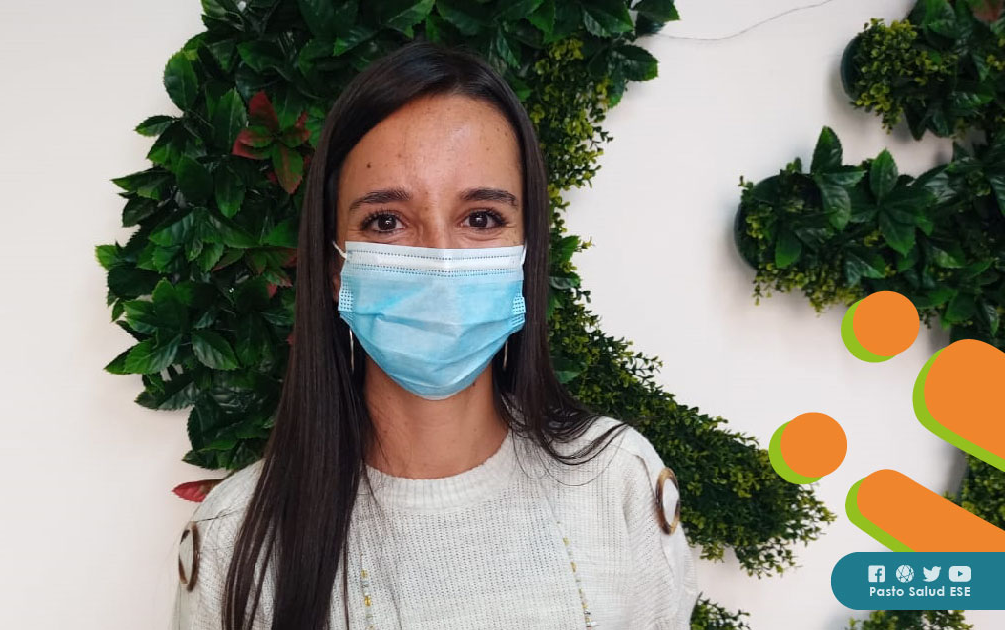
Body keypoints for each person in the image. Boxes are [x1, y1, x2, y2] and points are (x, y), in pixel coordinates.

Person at [170, 39, 698, 630]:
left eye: (482, 218)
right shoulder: (235, 538)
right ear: (335, 267)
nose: (440, 262)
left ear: (526, 252)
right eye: (386, 221)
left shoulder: (617, 480)